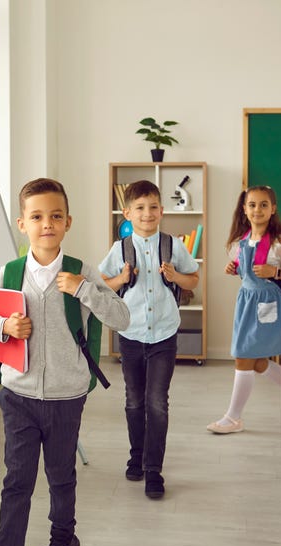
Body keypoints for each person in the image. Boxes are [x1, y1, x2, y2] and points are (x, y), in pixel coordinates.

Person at [0, 178, 130, 546]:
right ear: (23, 223)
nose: (47, 224)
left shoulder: (81, 270)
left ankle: (63, 540)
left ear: (68, 221)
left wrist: (85, 290)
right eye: (37, 216)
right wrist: (2, 326)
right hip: (17, 396)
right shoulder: (10, 274)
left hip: (66, 396)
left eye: (56, 216)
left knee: (60, 476)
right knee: (17, 481)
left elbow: (122, 318)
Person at [98, 180, 200, 498]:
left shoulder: (172, 245)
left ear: (162, 211)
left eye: (153, 207)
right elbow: (104, 285)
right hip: (130, 334)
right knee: (134, 400)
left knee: (157, 402)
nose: (147, 214)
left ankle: (154, 469)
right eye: (140, 208)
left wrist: (175, 277)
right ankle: (136, 457)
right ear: (127, 213)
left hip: (165, 335)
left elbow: (193, 278)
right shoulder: (120, 249)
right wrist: (122, 278)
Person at [208, 185, 281, 435]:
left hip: (269, 305)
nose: (257, 210)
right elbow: (248, 273)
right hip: (247, 303)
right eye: (252, 205)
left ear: (273, 209)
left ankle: (233, 417)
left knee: (244, 356)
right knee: (257, 361)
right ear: (244, 209)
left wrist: (275, 272)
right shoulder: (239, 243)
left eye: (264, 205)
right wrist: (234, 270)